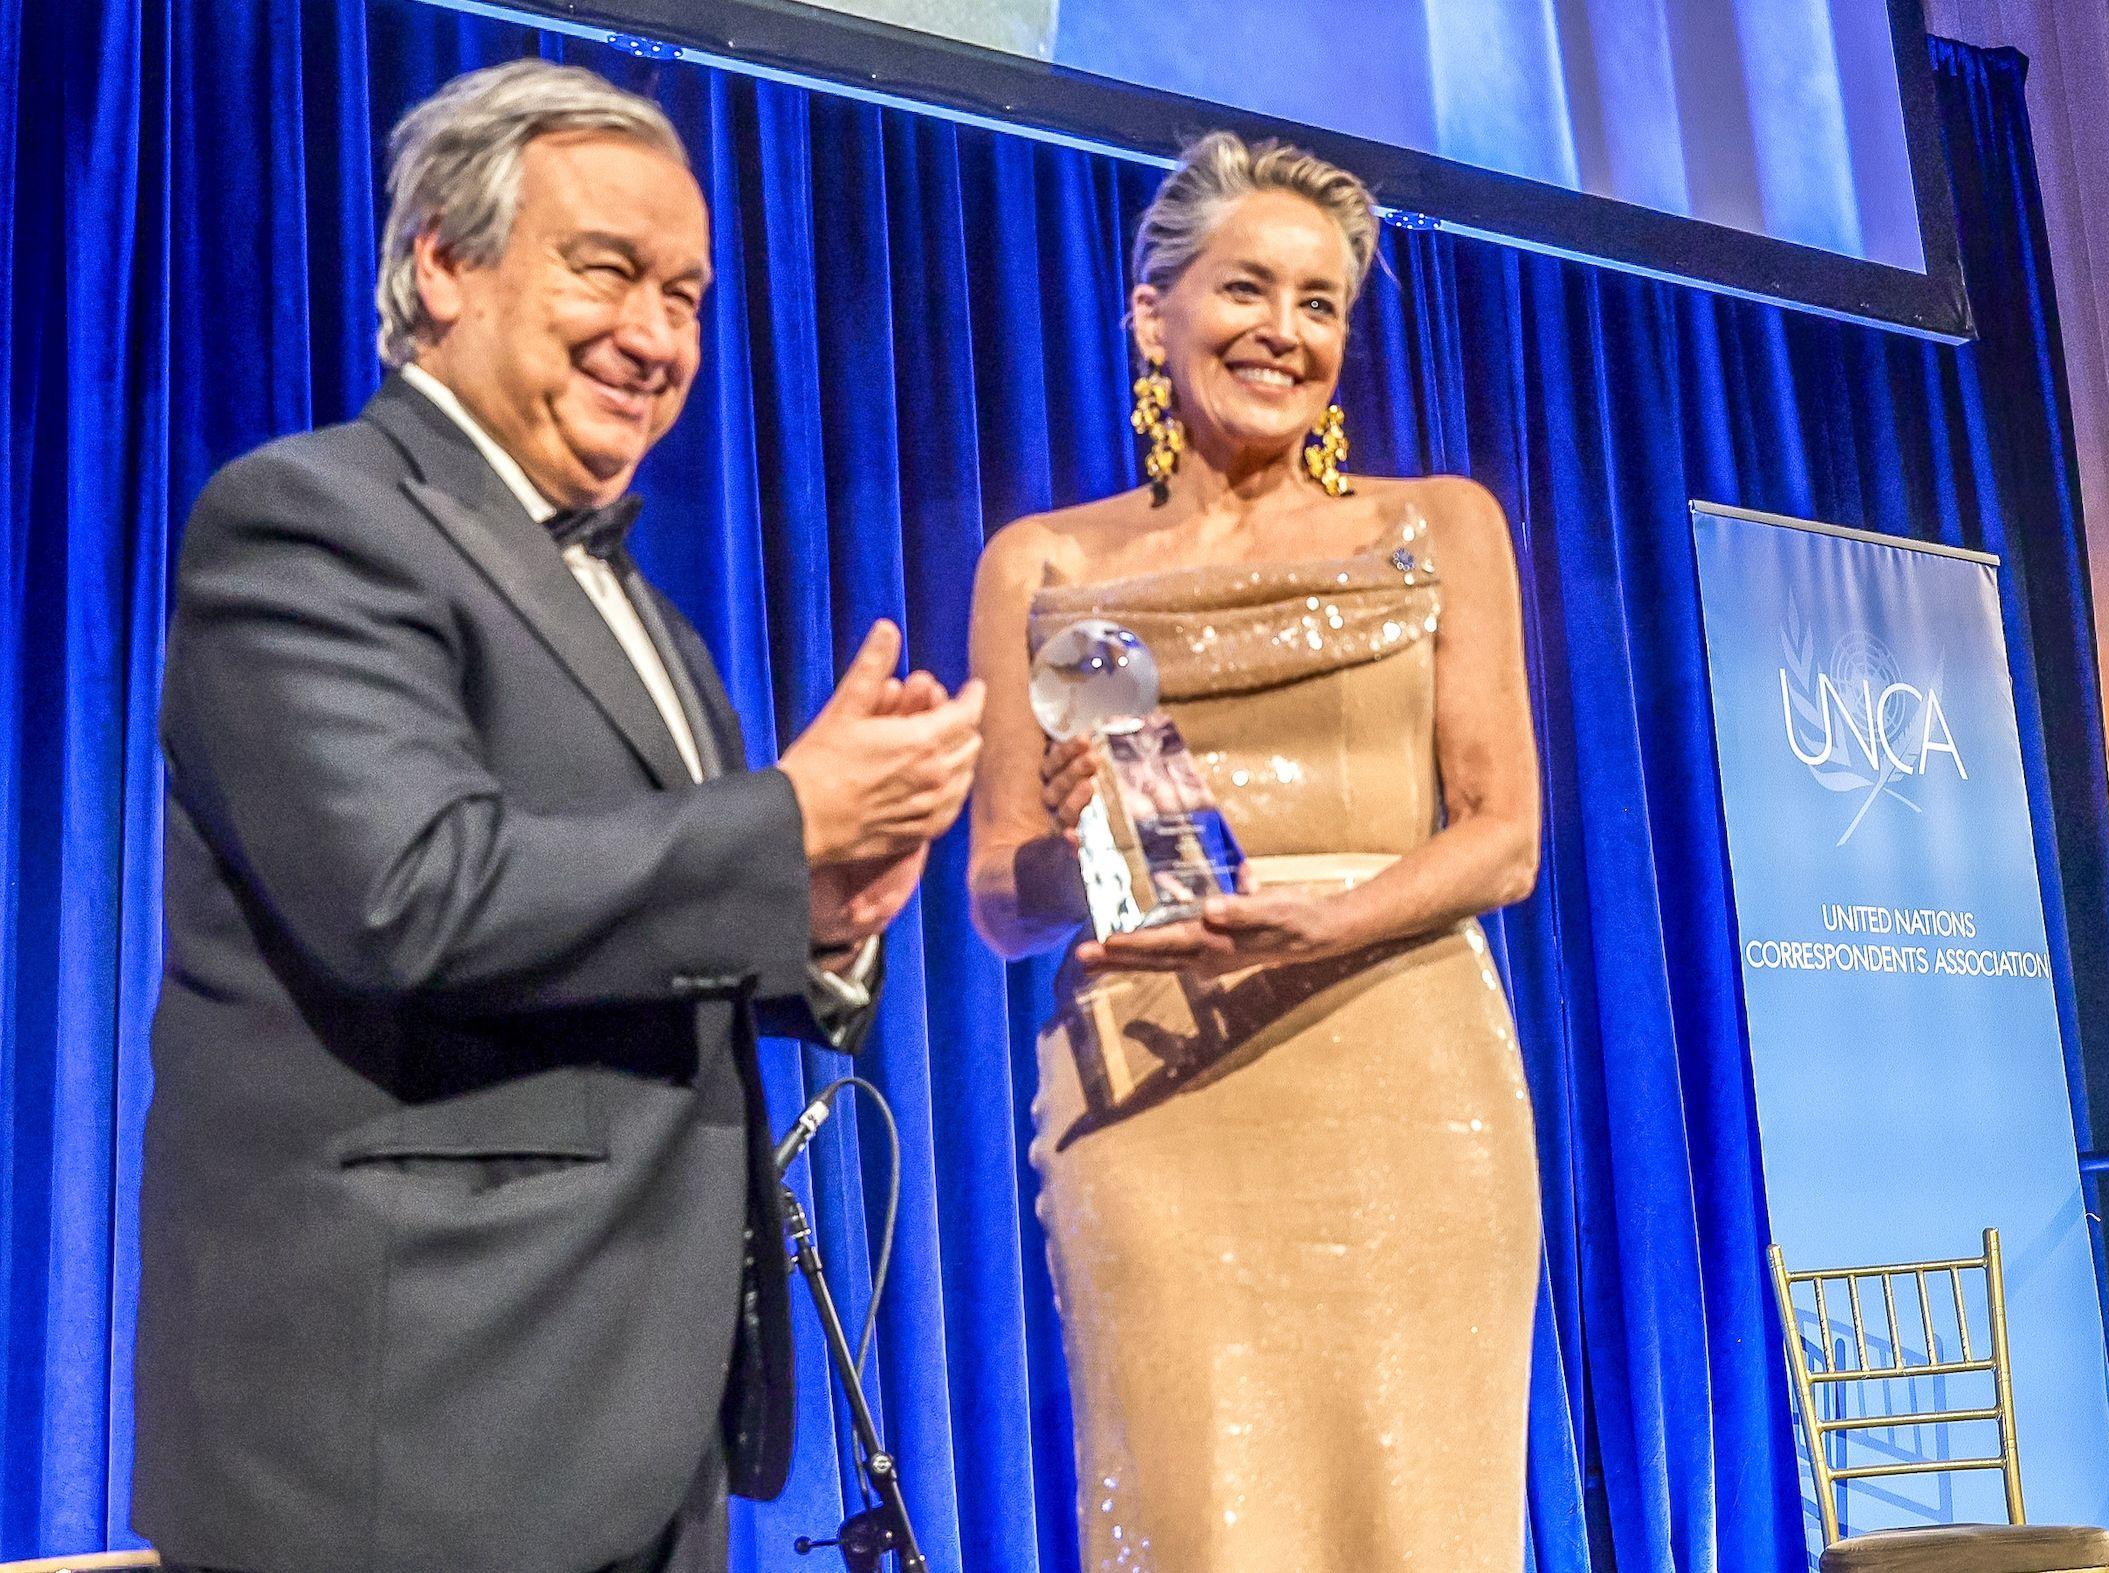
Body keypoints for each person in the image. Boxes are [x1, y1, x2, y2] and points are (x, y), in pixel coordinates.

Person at [132, 61, 983, 1573]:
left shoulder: (650, 614)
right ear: (439, 265)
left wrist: (827, 916)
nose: (656, 336)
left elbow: (651, 933)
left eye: (689, 294)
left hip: (635, 1426)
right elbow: (412, 896)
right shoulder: (308, 521)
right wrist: (785, 819)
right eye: (607, 271)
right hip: (409, 1428)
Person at [966, 133, 1543, 1572]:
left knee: (1419, 1524)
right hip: (1159, 1089)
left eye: (1319, 303)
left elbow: (1503, 835)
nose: (1282, 333)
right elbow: (1001, 893)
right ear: (1149, 313)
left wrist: (1324, 922)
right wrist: (1076, 843)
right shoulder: (1046, 568)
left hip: (1409, 1081)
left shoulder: (1438, 526)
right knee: (1196, 1520)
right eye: (1244, 289)